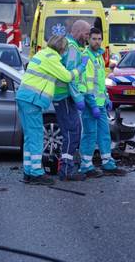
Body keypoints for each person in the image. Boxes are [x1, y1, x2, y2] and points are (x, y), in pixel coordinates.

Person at [16, 35, 88, 185]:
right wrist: (80, 68)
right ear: (62, 49)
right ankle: (36, 173)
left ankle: (28, 172)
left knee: (29, 137)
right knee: (36, 136)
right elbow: (67, 76)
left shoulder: (42, 53)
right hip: (32, 100)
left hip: (24, 97)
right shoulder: (52, 58)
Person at [79, 27, 127, 178]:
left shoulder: (99, 57)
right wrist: (92, 104)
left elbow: (100, 83)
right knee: (90, 135)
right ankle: (86, 166)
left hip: (99, 104)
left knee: (104, 134)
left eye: (99, 39)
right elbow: (85, 84)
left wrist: (106, 97)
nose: (97, 41)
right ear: (88, 39)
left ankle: (108, 163)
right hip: (90, 105)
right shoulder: (86, 57)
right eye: (94, 39)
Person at [53, 20, 91, 181]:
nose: (88, 37)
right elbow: (71, 77)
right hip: (65, 96)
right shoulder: (73, 48)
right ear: (79, 32)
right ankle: (67, 171)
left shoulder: (67, 44)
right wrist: (78, 98)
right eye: (87, 34)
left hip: (62, 96)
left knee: (72, 131)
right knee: (72, 132)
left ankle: (67, 168)